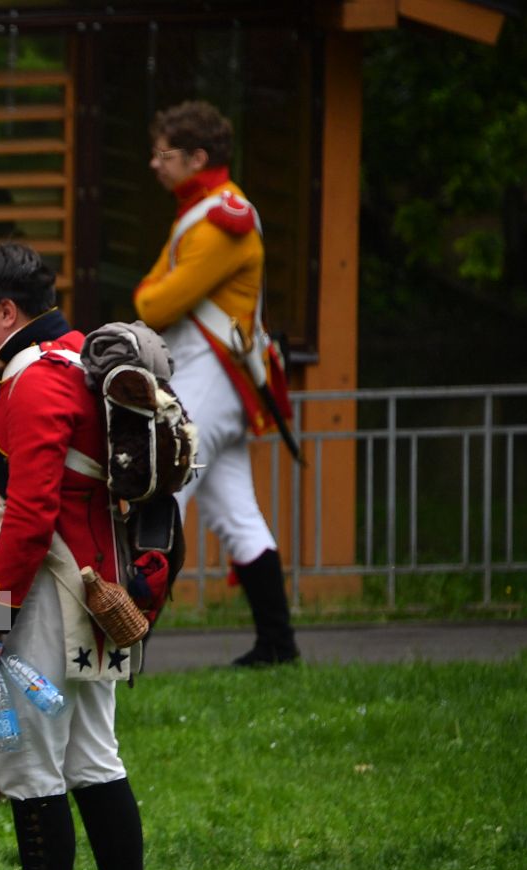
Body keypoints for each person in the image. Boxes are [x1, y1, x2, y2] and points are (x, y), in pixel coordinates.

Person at [0, 243, 153, 870]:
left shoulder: (32, 382)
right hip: (91, 585)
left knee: (27, 757)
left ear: (7, 312)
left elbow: (31, 515)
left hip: (47, 595)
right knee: (93, 755)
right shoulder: (73, 357)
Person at [135, 100, 298, 666]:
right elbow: (152, 293)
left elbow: (155, 301)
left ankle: (127, 646)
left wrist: (155, 295)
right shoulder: (202, 212)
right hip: (215, 381)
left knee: (160, 497)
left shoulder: (222, 218)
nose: (156, 164)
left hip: (213, 378)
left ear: (197, 157)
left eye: (166, 154)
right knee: (237, 516)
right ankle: (278, 647)